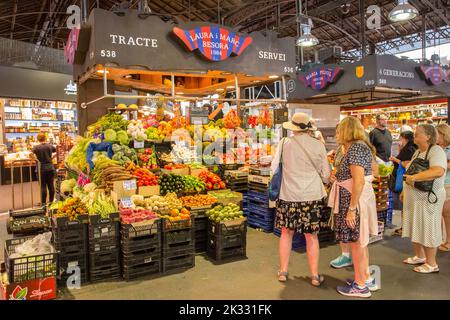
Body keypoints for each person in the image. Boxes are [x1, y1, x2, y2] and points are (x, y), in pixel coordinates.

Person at [271, 112, 331, 286]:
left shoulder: (284, 144)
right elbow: (326, 175)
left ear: (293, 127)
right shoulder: (318, 145)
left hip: (288, 196)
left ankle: (283, 271)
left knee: (286, 233)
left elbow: (274, 168)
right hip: (312, 197)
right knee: (311, 236)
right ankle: (314, 276)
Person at [329, 117, 378, 298]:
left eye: (339, 130)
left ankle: (360, 286)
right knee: (360, 242)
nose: (337, 134)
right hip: (353, 198)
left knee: (357, 241)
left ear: (347, 131)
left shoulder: (356, 147)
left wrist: (351, 209)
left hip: (353, 200)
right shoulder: (359, 146)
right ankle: (364, 278)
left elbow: (358, 181)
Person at [402, 124, 446, 273]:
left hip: (428, 198)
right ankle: (420, 256)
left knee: (429, 228)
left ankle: (432, 264)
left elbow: (438, 171)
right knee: (417, 226)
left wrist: (414, 178)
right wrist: (404, 191)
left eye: (417, 133)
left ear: (428, 136)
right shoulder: (417, 152)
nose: (414, 135)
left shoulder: (436, 151)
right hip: (415, 198)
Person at [389, 131, 417, 236]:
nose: (400, 140)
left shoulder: (409, 150)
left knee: (404, 204)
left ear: (405, 138)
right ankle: (405, 227)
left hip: (403, 179)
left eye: (401, 138)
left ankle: (405, 228)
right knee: (404, 205)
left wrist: (395, 159)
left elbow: (406, 164)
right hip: (406, 179)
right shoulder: (411, 149)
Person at [436, 124, 450, 252]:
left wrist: (439, 163)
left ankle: (448, 241)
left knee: (446, 214)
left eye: (437, 134)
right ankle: (438, 239)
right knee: (439, 213)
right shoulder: (438, 148)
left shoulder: (447, 149)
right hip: (439, 183)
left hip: (447, 183)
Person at [32, 132, 56, 205]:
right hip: (50, 167)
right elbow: (56, 151)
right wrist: (52, 158)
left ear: (38, 139)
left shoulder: (36, 147)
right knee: (51, 185)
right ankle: (51, 202)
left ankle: (43, 204)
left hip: (41, 168)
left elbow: (30, 154)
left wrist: (36, 160)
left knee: (43, 186)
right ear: (45, 138)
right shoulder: (50, 146)